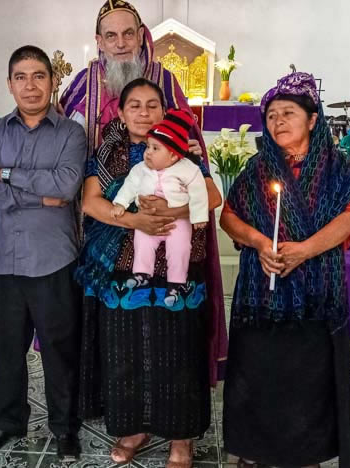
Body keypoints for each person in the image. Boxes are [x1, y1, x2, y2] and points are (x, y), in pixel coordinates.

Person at [60, 0, 228, 398]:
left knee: (173, 328)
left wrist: (180, 195)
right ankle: (117, 401)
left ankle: (175, 412)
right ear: (99, 41)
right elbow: (67, 149)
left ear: (141, 36)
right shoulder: (83, 85)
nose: (120, 43)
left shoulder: (165, 81)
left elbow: (193, 149)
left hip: (172, 222)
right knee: (120, 327)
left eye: (127, 34)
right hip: (106, 224)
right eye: (111, 36)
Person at [219, 72, 350, 468]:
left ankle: (305, 455)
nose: (278, 121)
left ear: (313, 119)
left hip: (316, 298)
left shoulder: (338, 168)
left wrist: (304, 250)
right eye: (271, 116)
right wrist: (258, 242)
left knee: (308, 382)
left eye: (288, 113)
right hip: (261, 297)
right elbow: (229, 217)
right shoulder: (256, 169)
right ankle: (254, 451)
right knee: (258, 375)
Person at [76, 78, 222, 468]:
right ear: (121, 114)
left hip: (179, 265)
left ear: (164, 111)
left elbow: (210, 196)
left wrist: (171, 212)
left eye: (152, 105)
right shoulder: (107, 153)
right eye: (135, 106)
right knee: (127, 349)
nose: (144, 112)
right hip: (124, 266)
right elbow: (91, 203)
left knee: (179, 349)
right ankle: (134, 429)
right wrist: (136, 221)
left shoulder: (184, 151)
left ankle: (181, 437)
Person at [0, 45, 87, 462]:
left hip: (54, 260)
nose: (30, 85)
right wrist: (36, 196)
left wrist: (9, 176)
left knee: (60, 350)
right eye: (21, 77)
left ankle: (65, 428)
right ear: (10, 84)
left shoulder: (71, 133)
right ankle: (8, 422)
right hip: (4, 261)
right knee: (5, 350)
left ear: (52, 82)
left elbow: (66, 186)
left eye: (39, 76)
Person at [110, 109, 208, 285]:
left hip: (177, 222)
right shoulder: (141, 168)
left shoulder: (188, 169)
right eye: (148, 146)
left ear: (173, 155)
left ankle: (176, 281)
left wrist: (198, 216)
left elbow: (199, 192)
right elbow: (129, 186)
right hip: (147, 218)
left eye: (155, 148)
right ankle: (141, 273)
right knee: (142, 242)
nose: (148, 152)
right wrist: (120, 203)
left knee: (180, 247)